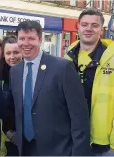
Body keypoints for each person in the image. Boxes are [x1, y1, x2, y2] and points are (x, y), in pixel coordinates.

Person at [10, 20, 92, 156]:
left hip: (58, 150)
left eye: (31, 38)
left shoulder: (62, 68)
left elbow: (79, 116)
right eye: (22, 38)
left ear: (40, 40)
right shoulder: (15, 71)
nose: (26, 43)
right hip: (26, 149)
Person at [65, 8, 114, 156]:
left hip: (104, 144)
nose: (89, 29)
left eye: (94, 25)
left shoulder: (111, 57)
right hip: (71, 138)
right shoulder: (67, 57)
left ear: (101, 29)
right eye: (85, 24)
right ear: (78, 26)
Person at [0, 35, 22, 156]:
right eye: (8, 53)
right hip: (9, 139)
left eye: (16, 52)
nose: (12, 57)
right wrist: (10, 133)